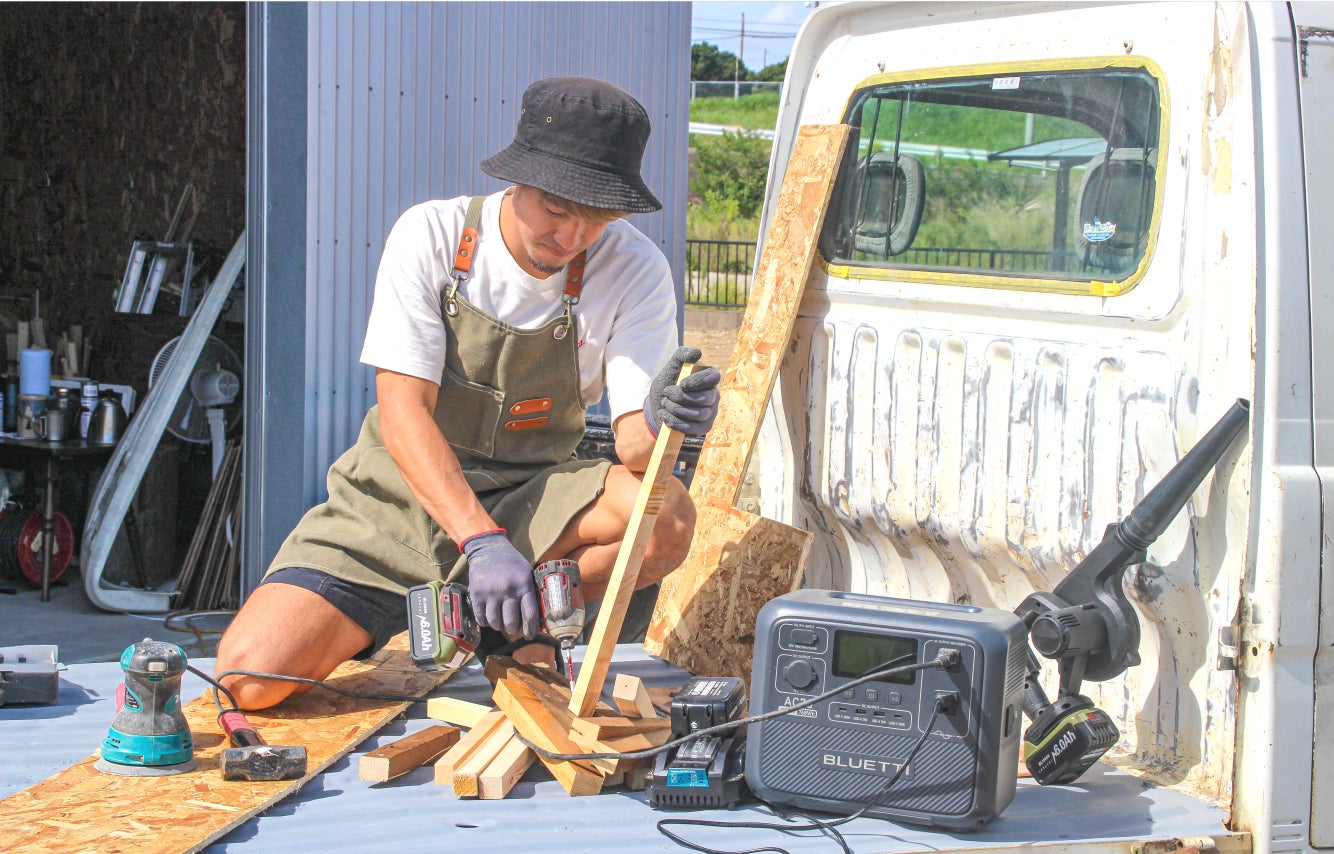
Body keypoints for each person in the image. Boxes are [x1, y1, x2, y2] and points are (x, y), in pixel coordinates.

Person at [216, 77, 721, 710]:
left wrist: (666, 419)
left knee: (666, 516)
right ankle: (453, 611)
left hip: (532, 494)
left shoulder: (635, 269)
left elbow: (637, 451)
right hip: (400, 498)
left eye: (595, 221)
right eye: (557, 211)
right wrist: (479, 541)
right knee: (249, 682)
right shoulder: (430, 235)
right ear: (518, 179)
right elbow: (403, 414)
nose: (570, 239)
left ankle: (502, 625)